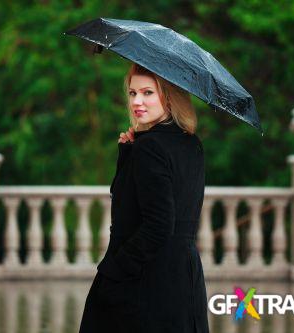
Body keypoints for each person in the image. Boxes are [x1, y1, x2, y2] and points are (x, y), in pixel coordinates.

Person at [79, 63, 209, 333]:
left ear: (169, 96)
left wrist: (115, 269)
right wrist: (128, 153)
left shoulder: (150, 148)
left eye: (148, 92)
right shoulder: (190, 144)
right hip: (183, 277)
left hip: (143, 281)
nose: (137, 101)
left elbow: (158, 225)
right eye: (132, 93)